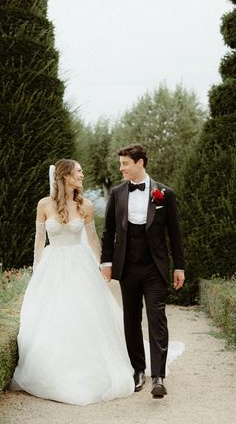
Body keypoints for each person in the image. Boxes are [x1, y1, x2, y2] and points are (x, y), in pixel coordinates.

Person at [10, 159, 134, 406]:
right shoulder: (44, 205)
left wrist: (104, 267)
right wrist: (36, 270)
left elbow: (92, 239)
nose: (82, 174)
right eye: (78, 171)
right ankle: (55, 369)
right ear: (65, 176)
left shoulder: (85, 205)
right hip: (53, 265)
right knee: (54, 315)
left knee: (83, 313)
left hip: (80, 266)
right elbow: (38, 241)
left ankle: (87, 367)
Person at [100, 143, 185, 399]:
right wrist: (107, 263)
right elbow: (109, 232)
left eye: (125, 163)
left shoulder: (164, 194)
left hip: (154, 267)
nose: (121, 168)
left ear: (140, 163)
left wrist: (179, 266)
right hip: (127, 267)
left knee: (157, 318)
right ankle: (138, 370)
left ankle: (158, 376)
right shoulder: (116, 193)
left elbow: (174, 233)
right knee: (131, 319)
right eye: (121, 164)